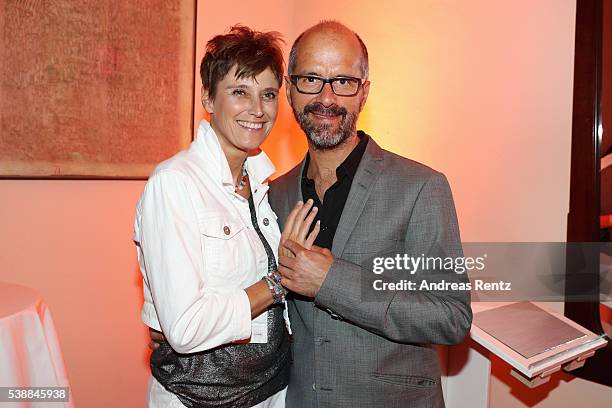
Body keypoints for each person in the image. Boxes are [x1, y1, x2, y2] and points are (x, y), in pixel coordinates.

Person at [270, 21, 473, 407]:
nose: (326, 97)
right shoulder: (275, 195)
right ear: (290, 90)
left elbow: (450, 317)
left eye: (343, 81)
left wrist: (333, 281)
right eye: (311, 78)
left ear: (364, 92)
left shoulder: (421, 187)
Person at [134, 25, 318, 408]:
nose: (258, 109)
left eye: (268, 94)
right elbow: (184, 329)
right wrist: (279, 281)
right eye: (240, 92)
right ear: (209, 98)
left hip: (272, 392)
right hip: (197, 399)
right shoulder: (175, 185)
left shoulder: (264, 187)